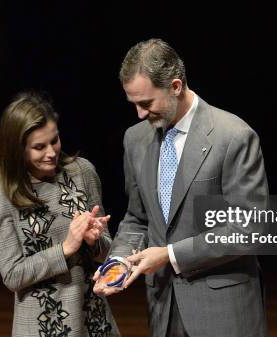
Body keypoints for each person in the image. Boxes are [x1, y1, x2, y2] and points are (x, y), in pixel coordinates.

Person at [95, 38, 268, 337]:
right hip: (164, 307)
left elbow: (249, 228)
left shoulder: (233, 136)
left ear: (176, 86)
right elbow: (138, 218)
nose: (139, 113)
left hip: (222, 309)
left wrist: (170, 254)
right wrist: (120, 259)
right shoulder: (135, 139)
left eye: (146, 103)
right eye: (133, 104)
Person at [0, 91, 120, 337]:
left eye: (54, 141)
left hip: (94, 319)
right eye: (39, 147)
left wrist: (95, 242)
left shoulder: (82, 172)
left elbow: (110, 253)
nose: (51, 152)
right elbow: (13, 275)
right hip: (41, 324)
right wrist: (65, 248)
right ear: (17, 149)